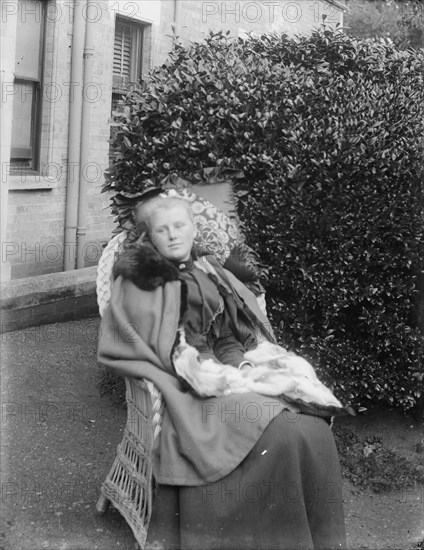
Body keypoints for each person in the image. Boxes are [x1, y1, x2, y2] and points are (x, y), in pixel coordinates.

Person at [98, 194, 347, 550]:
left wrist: (243, 368)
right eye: (162, 230)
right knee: (277, 431)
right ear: (150, 237)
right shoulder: (140, 281)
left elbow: (228, 337)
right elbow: (143, 345)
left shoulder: (209, 273)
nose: (172, 235)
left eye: (179, 226)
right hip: (186, 385)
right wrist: (206, 372)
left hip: (223, 375)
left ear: (193, 228)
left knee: (307, 428)